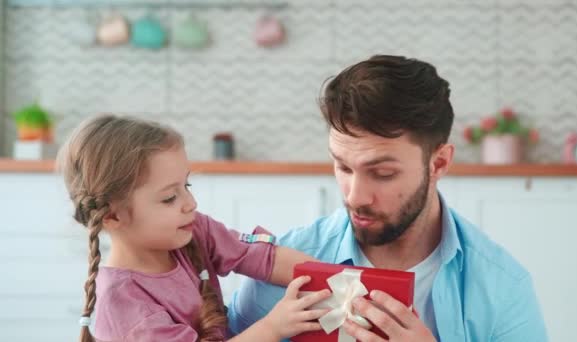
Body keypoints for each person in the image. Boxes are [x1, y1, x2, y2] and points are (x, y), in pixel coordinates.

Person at [228, 55, 548, 341]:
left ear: (438, 164)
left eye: (382, 174)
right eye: (342, 166)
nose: (355, 196)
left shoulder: (501, 287)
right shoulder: (279, 269)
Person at [57, 114, 331, 342]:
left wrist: (340, 284)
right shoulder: (124, 304)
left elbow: (259, 257)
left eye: (186, 186)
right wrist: (273, 327)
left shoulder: (192, 228)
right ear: (112, 216)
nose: (191, 203)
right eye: (169, 198)